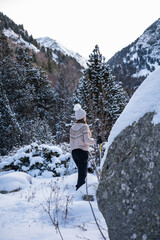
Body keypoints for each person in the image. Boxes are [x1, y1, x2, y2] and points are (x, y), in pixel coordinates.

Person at [70, 104, 96, 191]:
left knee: (81, 172)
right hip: (82, 152)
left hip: (74, 153)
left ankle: (80, 189)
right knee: (82, 174)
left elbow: (71, 142)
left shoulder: (72, 127)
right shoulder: (84, 126)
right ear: (83, 117)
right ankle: (80, 191)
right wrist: (96, 141)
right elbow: (87, 140)